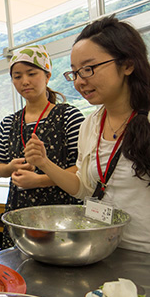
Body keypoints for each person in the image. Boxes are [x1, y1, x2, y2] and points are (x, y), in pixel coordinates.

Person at [24, 16, 150, 253]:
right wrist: (44, 163)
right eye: (75, 73)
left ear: (127, 65)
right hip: (102, 250)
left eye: (88, 69)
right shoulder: (91, 124)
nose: (80, 82)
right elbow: (83, 188)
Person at [0, 44, 84, 248]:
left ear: (47, 75)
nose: (24, 81)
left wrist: (38, 180)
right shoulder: (8, 123)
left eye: (31, 73)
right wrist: (11, 168)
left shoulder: (69, 116)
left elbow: (81, 170)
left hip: (63, 216)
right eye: (17, 76)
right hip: (20, 215)